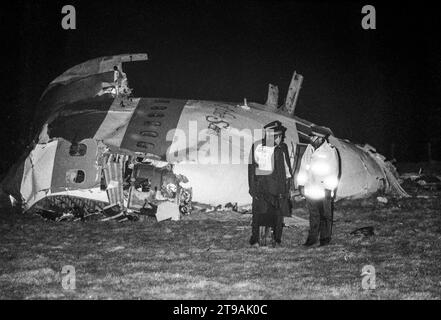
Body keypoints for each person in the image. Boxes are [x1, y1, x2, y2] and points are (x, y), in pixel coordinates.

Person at [248, 120, 293, 247]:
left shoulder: (282, 148)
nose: (281, 139)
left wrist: (287, 186)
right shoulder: (257, 146)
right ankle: (255, 237)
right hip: (262, 188)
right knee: (259, 213)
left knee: (277, 214)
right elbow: (251, 169)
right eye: (279, 136)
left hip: (278, 188)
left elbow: (286, 168)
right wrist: (252, 188)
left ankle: (276, 238)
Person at [297, 131, 340, 247]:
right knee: (313, 214)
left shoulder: (330, 151)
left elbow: (334, 171)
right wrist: (301, 184)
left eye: (313, 136)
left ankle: (325, 239)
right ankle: (312, 238)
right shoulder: (309, 148)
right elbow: (303, 167)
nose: (310, 138)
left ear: (320, 138)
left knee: (325, 215)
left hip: (323, 189)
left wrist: (329, 188)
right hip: (311, 188)